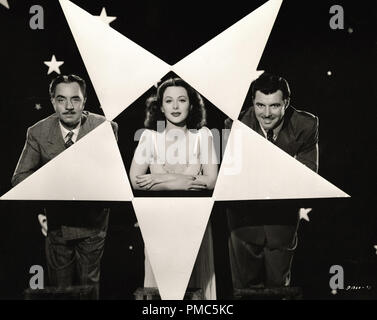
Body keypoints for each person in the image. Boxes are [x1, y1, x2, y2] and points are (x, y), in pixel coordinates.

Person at [11, 74, 118, 299]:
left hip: (93, 223)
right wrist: (56, 182)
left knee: (90, 288)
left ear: (85, 100)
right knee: (60, 290)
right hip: (58, 223)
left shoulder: (104, 128)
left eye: (75, 99)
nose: (69, 106)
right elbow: (19, 178)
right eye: (61, 100)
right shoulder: (38, 132)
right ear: (53, 101)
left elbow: (112, 177)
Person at [225, 73, 319, 290]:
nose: (266, 114)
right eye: (260, 105)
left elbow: (307, 174)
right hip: (243, 221)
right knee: (245, 290)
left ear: (286, 103)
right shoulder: (235, 125)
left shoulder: (305, 125)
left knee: (279, 289)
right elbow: (234, 179)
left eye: (274, 106)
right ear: (252, 102)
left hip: (282, 220)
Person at [130, 77, 219, 299]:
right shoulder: (148, 138)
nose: (176, 106)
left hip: (194, 221)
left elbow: (211, 181)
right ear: (160, 106)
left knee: (195, 286)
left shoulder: (204, 136)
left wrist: (160, 179)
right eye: (169, 101)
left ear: (192, 104)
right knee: (161, 287)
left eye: (182, 100)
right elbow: (135, 180)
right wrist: (181, 181)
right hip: (159, 223)